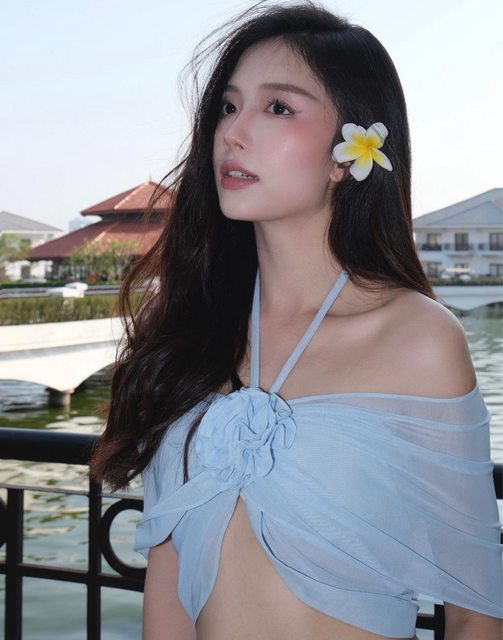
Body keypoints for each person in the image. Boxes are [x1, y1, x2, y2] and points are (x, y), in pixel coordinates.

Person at [89, 2, 503, 639]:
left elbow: (476, 612)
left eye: (278, 107)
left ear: (347, 155)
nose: (233, 132)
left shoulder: (417, 339)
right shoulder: (191, 331)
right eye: (228, 106)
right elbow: (168, 585)